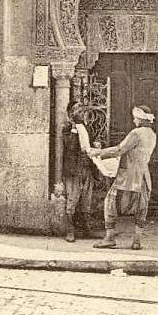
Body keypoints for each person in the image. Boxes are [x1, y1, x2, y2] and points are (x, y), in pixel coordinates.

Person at [90, 104, 156, 251]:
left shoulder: (136, 133)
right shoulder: (152, 134)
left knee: (110, 202)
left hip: (128, 176)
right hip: (143, 175)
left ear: (140, 119)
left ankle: (109, 238)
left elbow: (119, 149)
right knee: (141, 207)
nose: (134, 121)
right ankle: (137, 241)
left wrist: (98, 152)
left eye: (135, 118)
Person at [62, 103, 100, 242]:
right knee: (72, 199)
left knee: (86, 199)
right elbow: (70, 146)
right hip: (74, 169)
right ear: (71, 114)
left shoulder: (87, 127)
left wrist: (96, 145)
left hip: (87, 168)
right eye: (78, 110)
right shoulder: (67, 128)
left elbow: (91, 143)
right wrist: (73, 128)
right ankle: (70, 230)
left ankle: (86, 229)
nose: (81, 112)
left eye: (82, 110)